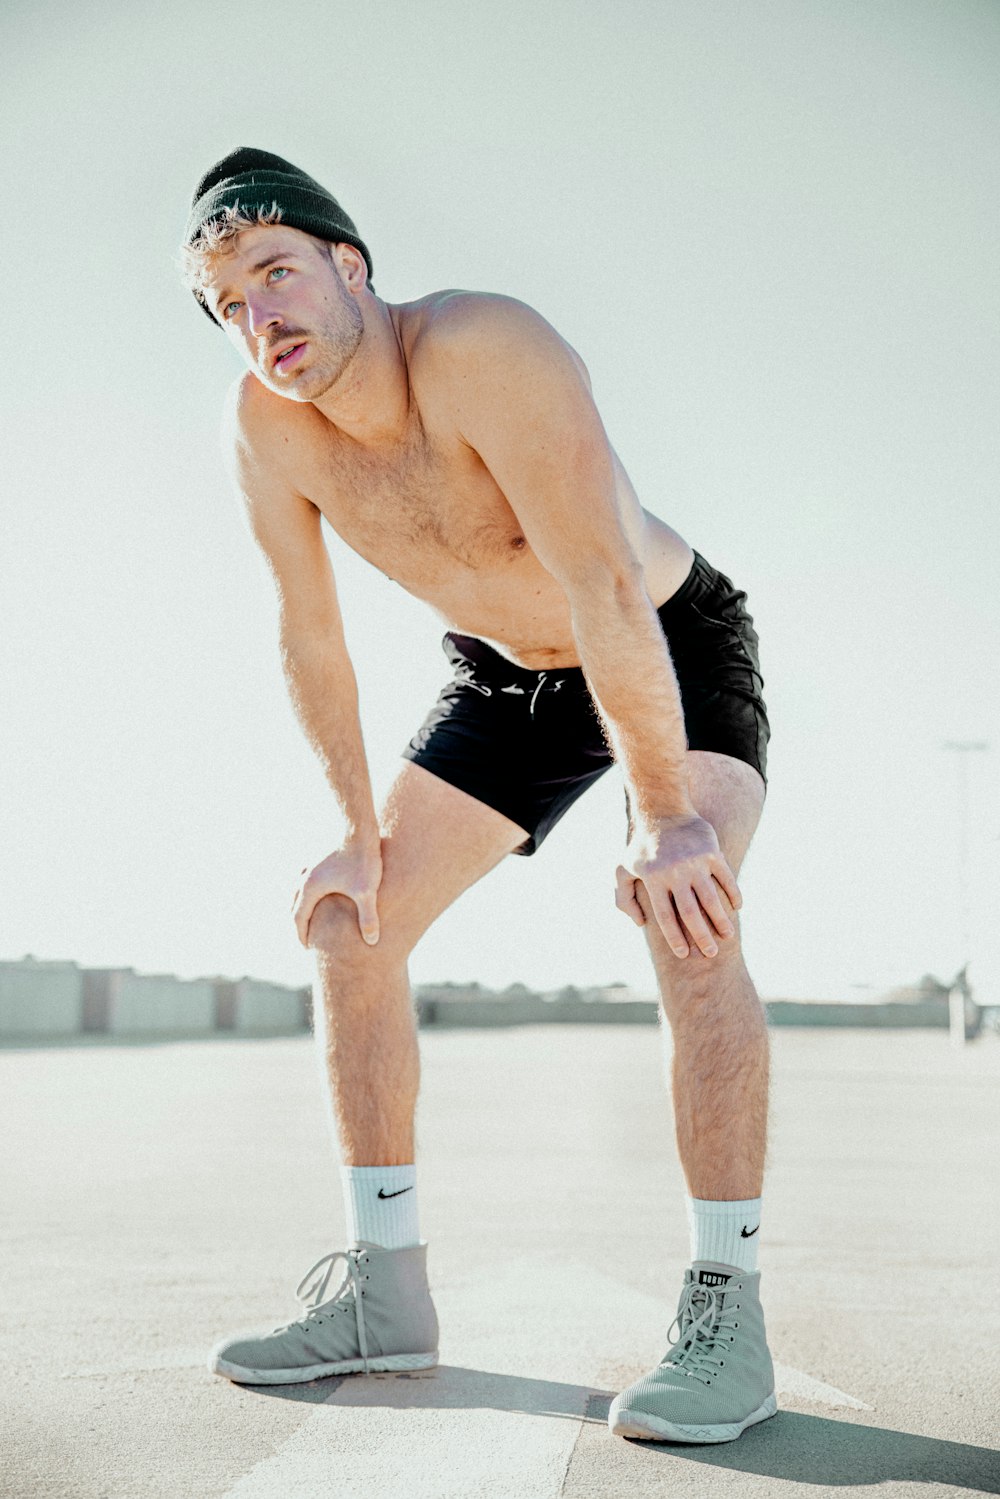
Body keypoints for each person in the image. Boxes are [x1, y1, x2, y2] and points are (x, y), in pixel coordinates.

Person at [179, 147, 776, 1445]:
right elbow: (311, 634)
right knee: (354, 920)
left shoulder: (483, 348)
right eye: (231, 303)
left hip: (659, 633)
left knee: (686, 907)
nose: (260, 318)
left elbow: (606, 584)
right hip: (506, 678)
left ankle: (728, 1302)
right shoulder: (264, 425)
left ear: (351, 265)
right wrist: (352, 830)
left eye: (277, 273)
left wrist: (665, 809)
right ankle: (385, 1293)